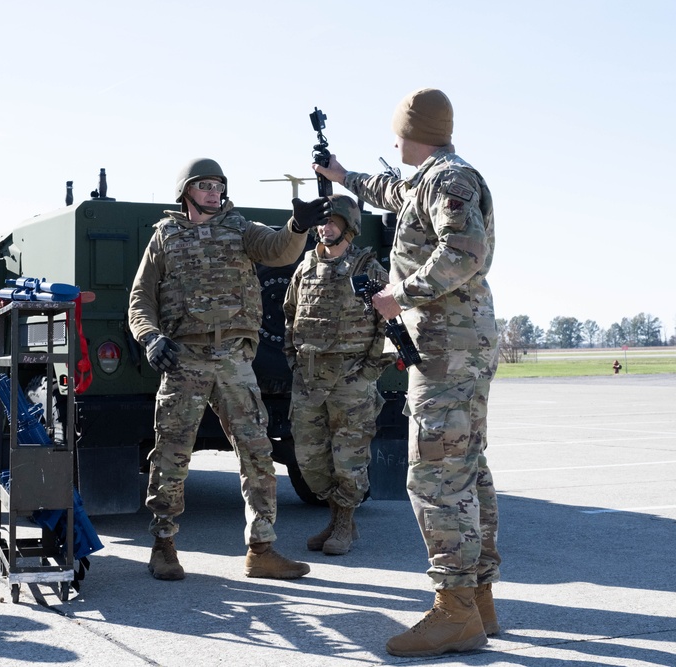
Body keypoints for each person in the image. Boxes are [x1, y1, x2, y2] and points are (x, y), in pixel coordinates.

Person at [314, 87, 500, 657]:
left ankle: (454, 610)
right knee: (467, 467)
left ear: (413, 129)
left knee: (434, 477)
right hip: (454, 346)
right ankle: (479, 599)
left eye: (397, 131)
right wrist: (341, 174)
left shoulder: (450, 180)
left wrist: (402, 291)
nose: (392, 141)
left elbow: (465, 251)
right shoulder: (428, 178)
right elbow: (389, 189)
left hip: (449, 349)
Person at [128, 158, 327, 581]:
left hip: (235, 360)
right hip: (185, 359)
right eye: (204, 185)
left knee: (257, 452)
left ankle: (262, 548)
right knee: (171, 455)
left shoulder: (240, 229)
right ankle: (163, 545)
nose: (214, 191)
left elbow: (278, 251)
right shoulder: (164, 238)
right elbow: (140, 301)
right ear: (186, 191)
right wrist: (151, 337)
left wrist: (297, 228)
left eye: (219, 184)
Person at [283, 194, 392, 556]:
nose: (325, 227)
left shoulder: (367, 270)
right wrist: (295, 363)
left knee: (348, 459)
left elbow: (389, 324)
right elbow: (289, 317)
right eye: (322, 222)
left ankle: (344, 522)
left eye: (333, 222)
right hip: (309, 381)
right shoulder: (305, 268)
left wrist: (368, 372)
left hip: (350, 380)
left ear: (349, 227)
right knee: (311, 459)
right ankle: (335, 517)